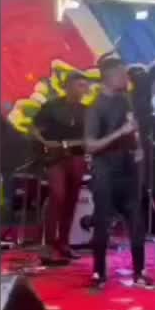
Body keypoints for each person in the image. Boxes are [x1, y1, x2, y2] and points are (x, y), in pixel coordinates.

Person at [85, 57, 154, 290]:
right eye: (123, 75)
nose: (127, 79)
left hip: (128, 169)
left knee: (136, 221)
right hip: (105, 170)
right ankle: (98, 272)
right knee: (102, 221)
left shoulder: (126, 101)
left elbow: (132, 129)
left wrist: (138, 147)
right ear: (110, 76)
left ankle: (140, 272)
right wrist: (119, 133)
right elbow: (90, 145)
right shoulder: (96, 107)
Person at [31, 73, 89, 262]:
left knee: (71, 200)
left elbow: (91, 137)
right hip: (55, 157)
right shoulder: (52, 106)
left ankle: (64, 243)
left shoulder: (87, 111)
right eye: (79, 85)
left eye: (84, 86)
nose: (83, 89)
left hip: (76, 157)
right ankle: (48, 244)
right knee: (58, 195)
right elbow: (35, 129)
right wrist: (45, 143)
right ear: (68, 86)